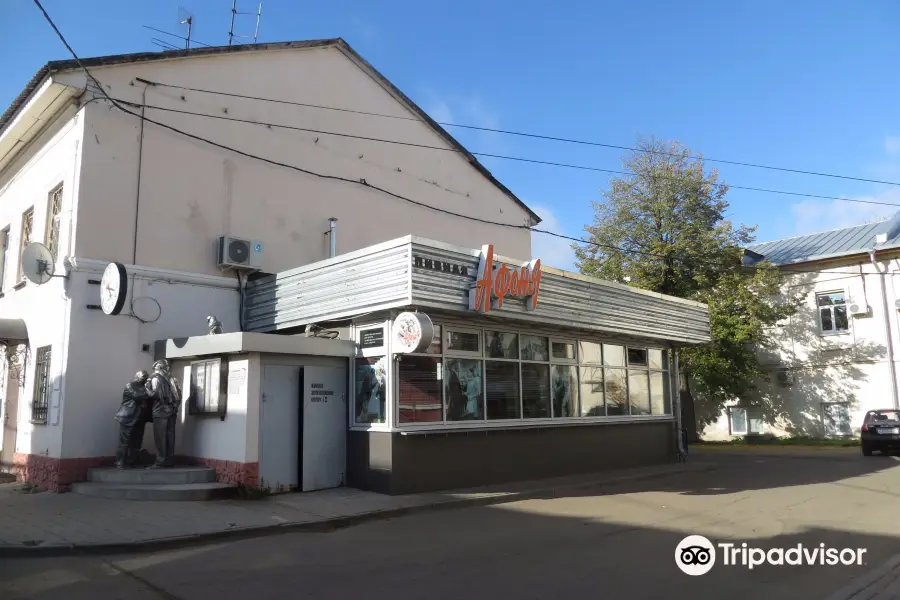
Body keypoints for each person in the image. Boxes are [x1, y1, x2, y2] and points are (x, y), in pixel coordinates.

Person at [146, 359, 181, 469]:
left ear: (159, 368)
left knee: (160, 437)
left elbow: (156, 395)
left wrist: (147, 389)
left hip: (160, 411)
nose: (155, 371)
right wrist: (175, 406)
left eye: (156, 369)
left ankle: (160, 461)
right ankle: (169, 460)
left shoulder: (156, 378)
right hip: (172, 411)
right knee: (170, 436)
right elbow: (178, 395)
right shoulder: (172, 379)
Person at [114, 370, 150, 468]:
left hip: (140, 418)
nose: (146, 379)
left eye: (146, 377)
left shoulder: (144, 387)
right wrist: (149, 392)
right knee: (124, 441)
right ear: (137, 376)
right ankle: (120, 461)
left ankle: (132, 460)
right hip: (128, 417)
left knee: (137, 441)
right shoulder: (130, 385)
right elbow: (136, 396)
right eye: (144, 377)